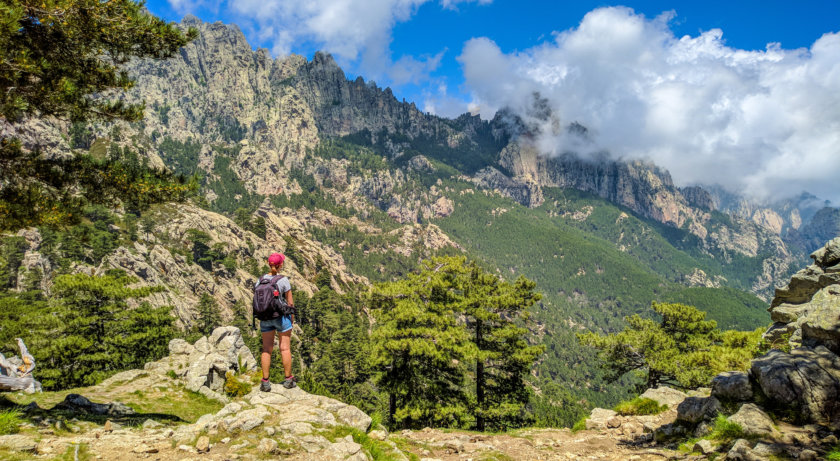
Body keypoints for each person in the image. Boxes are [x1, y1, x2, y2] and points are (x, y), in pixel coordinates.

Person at [256, 252, 296, 391]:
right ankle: (288, 380)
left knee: (266, 350)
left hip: (265, 318)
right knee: (284, 348)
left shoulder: (260, 280)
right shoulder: (283, 280)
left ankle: (265, 382)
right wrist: (292, 317)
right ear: (280, 265)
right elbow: (289, 301)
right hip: (281, 317)